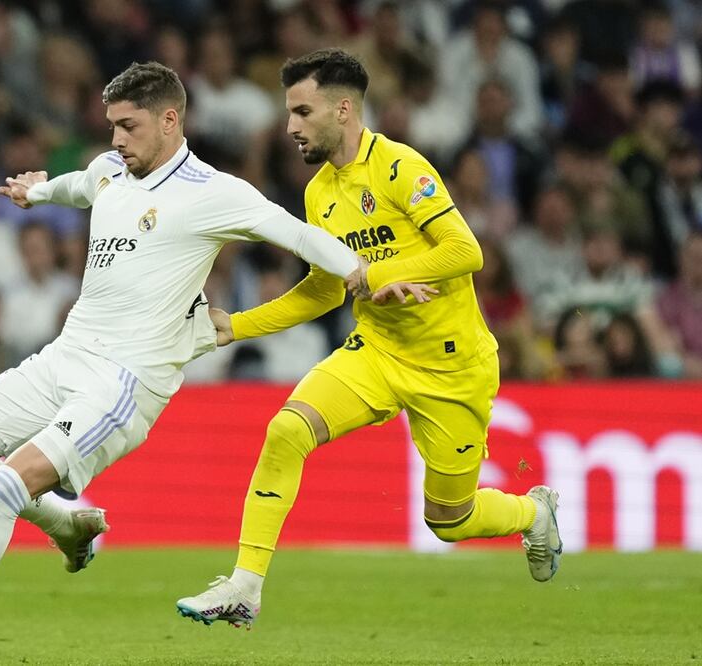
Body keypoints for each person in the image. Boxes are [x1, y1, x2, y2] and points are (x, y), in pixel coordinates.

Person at [0, 61, 422, 666]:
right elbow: (82, 184)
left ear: (169, 120)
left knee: (5, 485)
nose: (115, 139)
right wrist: (38, 191)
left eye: (128, 126)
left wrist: (364, 273)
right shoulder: (110, 171)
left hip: (123, 385)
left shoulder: (214, 193)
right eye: (111, 127)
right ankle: (63, 524)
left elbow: (298, 236)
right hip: (62, 359)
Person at [175, 49, 562, 629]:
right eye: (289, 113)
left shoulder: (402, 168)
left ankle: (533, 513)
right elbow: (325, 292)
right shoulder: (318, 193)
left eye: (303, 112)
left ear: (343, 108)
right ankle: (245, 587)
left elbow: (467, 251)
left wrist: (377, 274)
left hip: (451, 368)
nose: (290, 127)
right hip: (377, 352)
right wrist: (239, 326)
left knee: (449, 520)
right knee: (286, 430)